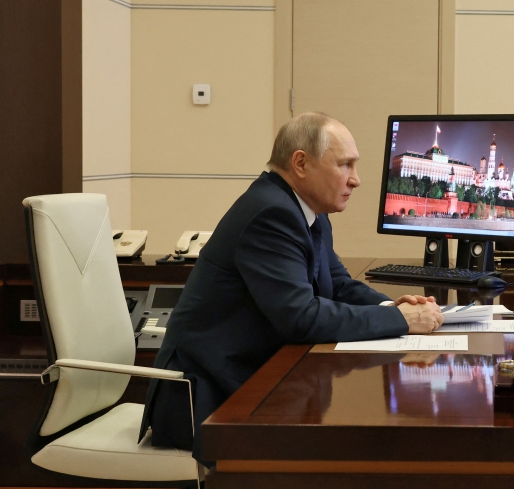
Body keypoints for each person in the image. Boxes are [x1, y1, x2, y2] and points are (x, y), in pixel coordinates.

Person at [141, 112, 444, 460]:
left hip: (250, 381)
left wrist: (394, 308)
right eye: (345, 165)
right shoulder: (271, 214)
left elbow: (339, 285)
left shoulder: (307, 211)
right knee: (341, 446)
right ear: (300, 163)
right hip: (205, 399)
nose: (356, 180)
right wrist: (402, 321)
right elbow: (301, 317)